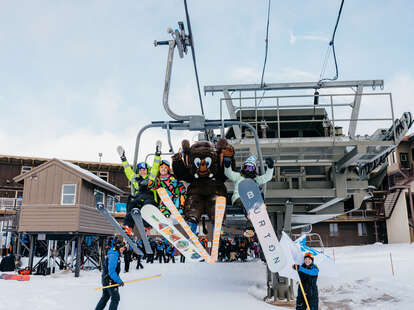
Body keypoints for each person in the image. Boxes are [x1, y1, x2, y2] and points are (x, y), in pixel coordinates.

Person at [118, 146, 159, 236]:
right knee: (132, 206)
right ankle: (128, 226)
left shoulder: (150, 177)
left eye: (144, 170)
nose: (142, 172)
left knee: (145, 209)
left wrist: (157, 154)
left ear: (147, 170)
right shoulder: (136, 179)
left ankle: (146, 227)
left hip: (150, 198)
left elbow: (155, 167)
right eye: (140, 170)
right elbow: (128, 171)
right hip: (139, 198)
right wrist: (123, 158)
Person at [95, 239, 126, 310]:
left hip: (106, 279)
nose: (123, 249)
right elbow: (111, 271)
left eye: (124, 247)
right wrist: (119, 281)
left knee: (105, 297)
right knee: (115, 298)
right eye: (122, 247)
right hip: (110, 280)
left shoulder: (114, 253)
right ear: (118, 247)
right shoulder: (114, 255)